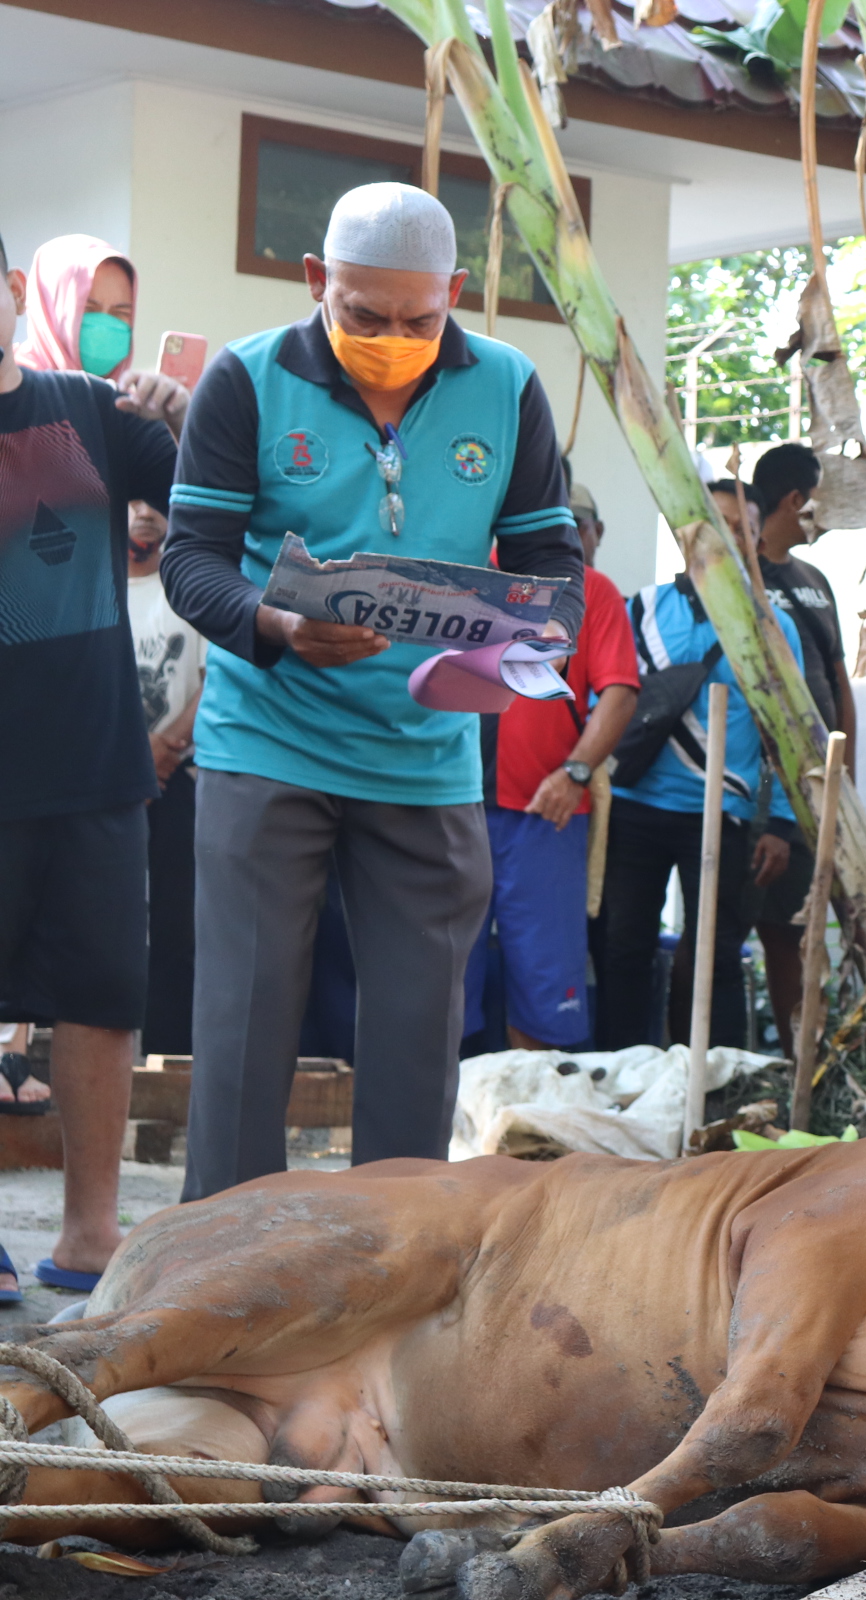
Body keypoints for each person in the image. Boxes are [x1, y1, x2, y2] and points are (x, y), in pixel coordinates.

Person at [161, 182, 584, 1202]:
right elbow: (193, 559)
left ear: (456, 292)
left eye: (419, 318)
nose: (393, 337)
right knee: (243, 1030)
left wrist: (496, 657)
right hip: (269, 745)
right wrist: (279, 626)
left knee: (417, 1036)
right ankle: (220, 1275)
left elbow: (550, 574)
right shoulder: (248, 382)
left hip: (426, 755)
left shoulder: (510, 387)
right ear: (318, 282)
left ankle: (389, 1274)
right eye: (363, 314)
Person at [0, 227, 181, 1297]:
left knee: (105, 997)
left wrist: (182, 408)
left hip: (97, 760)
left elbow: (210, 490)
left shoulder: (86, 409)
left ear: (14, 290)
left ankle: (90, 1235)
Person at [595, 478, 802, 1051]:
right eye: (717, 525)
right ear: (687, 535)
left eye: (743, 529)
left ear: (758, 543)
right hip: (634, 809)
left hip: (721, 816)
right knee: (623, 948)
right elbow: (602, 701)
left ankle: (720, 1086)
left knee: (714, 956)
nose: (729, 538)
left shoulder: (772, 628)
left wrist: (781, 825)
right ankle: (624, 1076)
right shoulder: (639, 611)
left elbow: (788, 735)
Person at [464, 478, 638, 1050]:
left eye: (574, 523)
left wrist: (577, 772)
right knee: (435, 987)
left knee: (544, 999)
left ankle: (534, 1132)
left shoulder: (593, 592)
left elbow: (619, 692)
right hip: (448, 810)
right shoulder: (468, 575)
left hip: (544, 812)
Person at [742, 442, 856, 1048]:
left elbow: (839, 680)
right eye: (817, 501)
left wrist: (848, 776)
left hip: (823, 779)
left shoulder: (815, 582)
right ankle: (778, 1056)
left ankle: (811, 1050)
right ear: (795, 499)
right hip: (762, 780)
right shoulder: (740, 575)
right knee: (772, 925)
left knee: (810, 922)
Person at [128, 496, 204, 1059]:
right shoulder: (97, 586)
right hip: (104, 778)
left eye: (154, 501)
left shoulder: (185, 587)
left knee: (178, 931)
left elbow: (210, 678)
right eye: (131, 501)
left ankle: (168, 1056)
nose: (144, 514)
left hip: (176, 778)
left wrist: (163, 750)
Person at [13, 234, 186, 440]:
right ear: (49, 311)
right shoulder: (12, 394)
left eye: (120, 313)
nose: (104, 327)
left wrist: (179, 422)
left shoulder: (128, 408)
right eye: (88, 309)